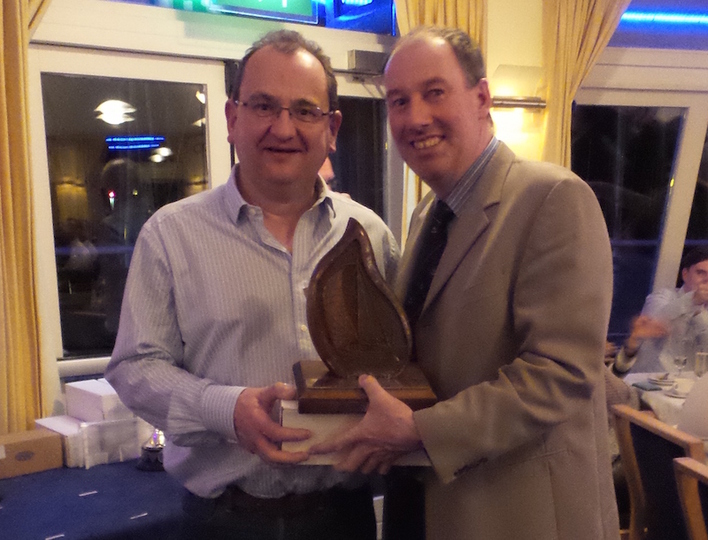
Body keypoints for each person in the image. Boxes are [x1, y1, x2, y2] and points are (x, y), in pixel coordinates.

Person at [310, 26, 619, 540]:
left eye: (434, 92)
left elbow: (561, 372)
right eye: (398, 101)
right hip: (427, 502)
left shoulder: (552, 197)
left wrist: (420, 430)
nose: (415, 118)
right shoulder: (426, 214)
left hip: (517, 515)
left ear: (481, 97)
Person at [105, 29, 399, 540]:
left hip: (345, 518)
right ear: (231, 118)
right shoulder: (170, 235)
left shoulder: (370, 234)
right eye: (263, 105)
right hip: (222, 522)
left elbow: (400, 359)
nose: (283, 128)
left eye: (304, 110)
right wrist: (226, 410)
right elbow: (134, 367)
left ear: (331, 128)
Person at [613, 246, 708, 374]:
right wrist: (692, 300)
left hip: (690, 381)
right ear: (685, 274)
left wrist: (699, 314)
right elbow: (655, 323)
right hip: (649, 379)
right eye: (701, 273)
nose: (706, 280)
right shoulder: (661, 297)